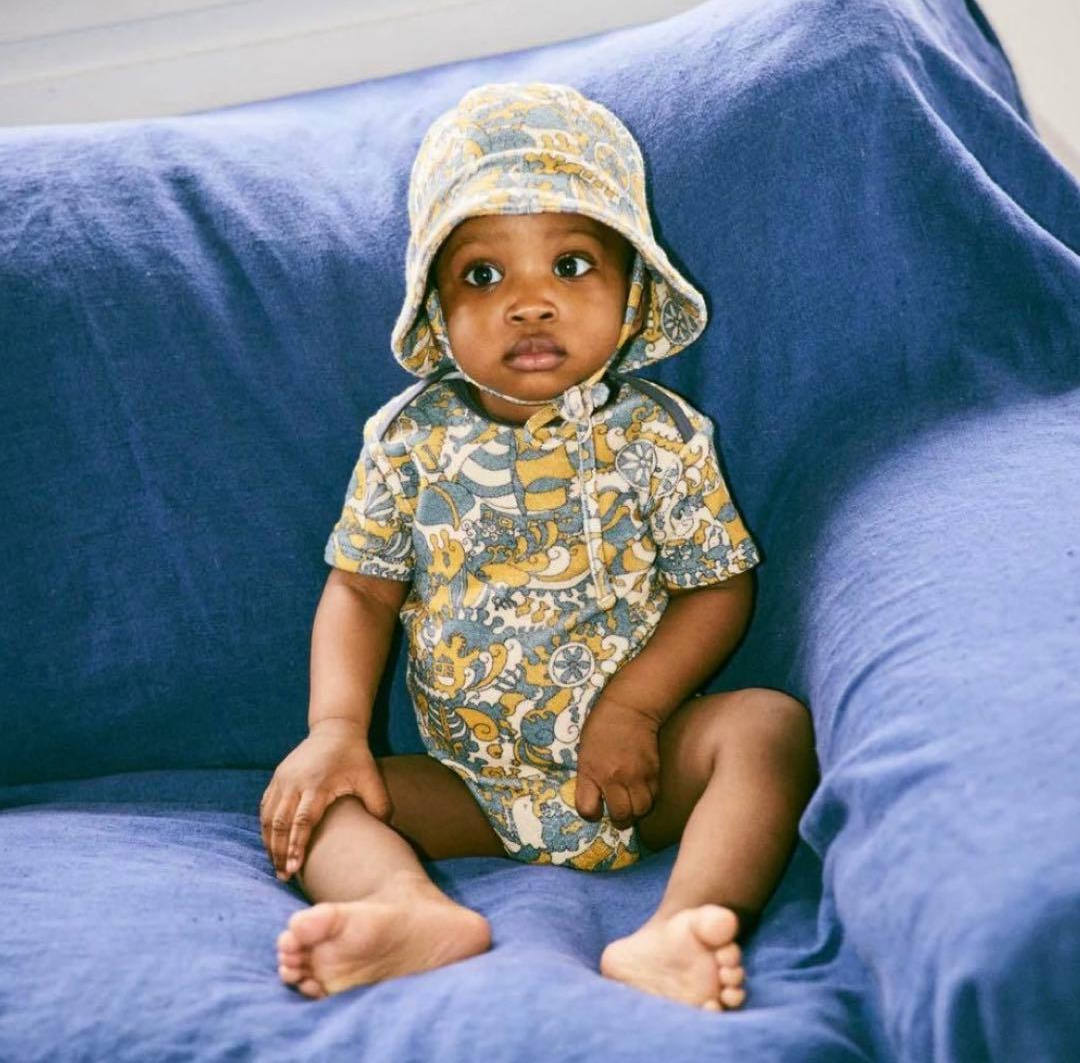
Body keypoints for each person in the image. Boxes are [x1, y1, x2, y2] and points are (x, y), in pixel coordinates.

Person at [262, 81, 817, 1011]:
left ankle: (682, 926)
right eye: (483, 276)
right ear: (436, 310)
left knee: (769, 729)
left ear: (632, 295)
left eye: (570, 265)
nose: (529, 304)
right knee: (312, 802)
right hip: (469, 784)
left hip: (641, 768)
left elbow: (717, 587)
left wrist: (635, 710)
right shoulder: (407, 443)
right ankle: (403, 907)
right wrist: (336, 732)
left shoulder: (660, 438)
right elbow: (360, 592)